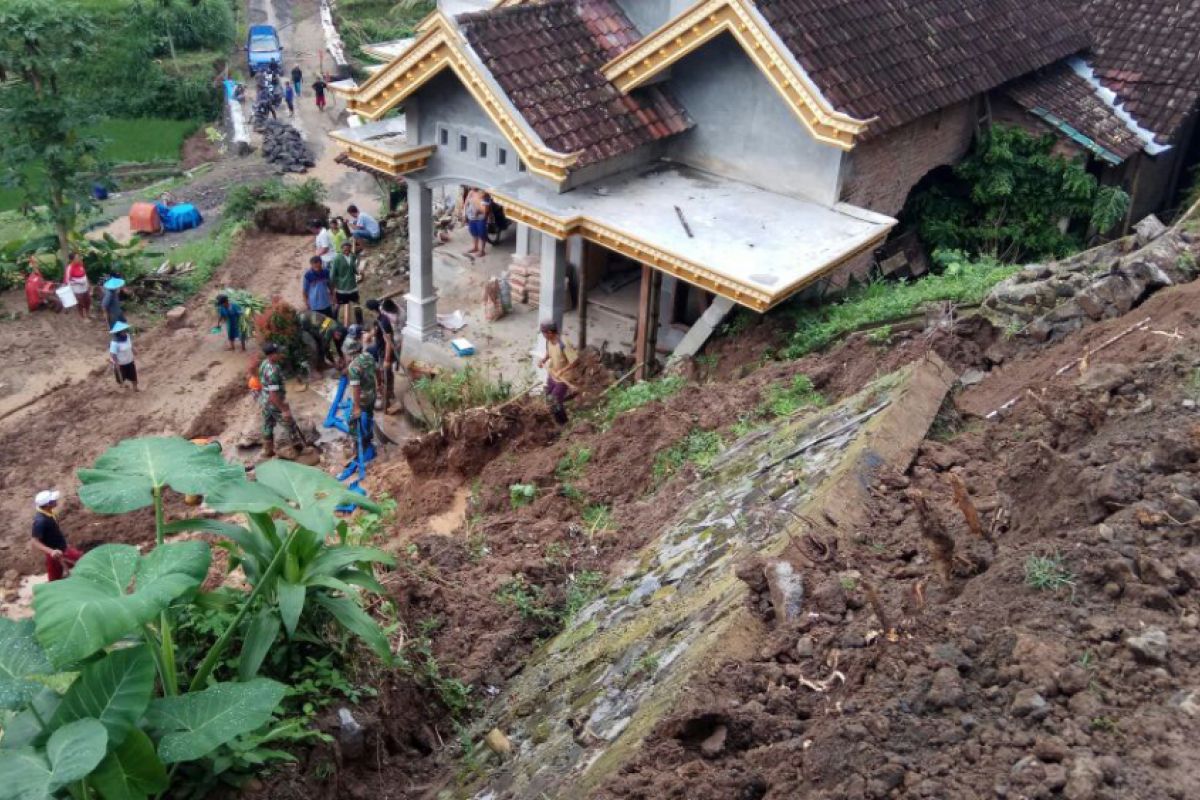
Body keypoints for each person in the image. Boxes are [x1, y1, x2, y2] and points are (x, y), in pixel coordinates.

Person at [257, 342, 307, 459]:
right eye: (277, 352)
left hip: (264, 400)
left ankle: (267, 451)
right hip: (273, 402)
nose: (279, 354)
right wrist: (284, 410)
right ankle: (297, 451)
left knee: (268, 424)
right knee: (290, 424)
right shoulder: (273, 371)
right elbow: (274, 395)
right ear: (271, 355)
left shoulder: (264, 364)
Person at [32, 490, 83, 582]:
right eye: (53, 500)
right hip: (55, 555)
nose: (56, 500)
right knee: (54, 581)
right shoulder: (40, 521)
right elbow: (35, 541)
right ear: (48, 504)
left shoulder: (50, 512)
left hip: (63, 548)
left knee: (83, 561)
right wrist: (51, 551)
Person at [537, 321, 578, 424]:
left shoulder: (563, 343)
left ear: (550, 332)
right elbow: (549, 352)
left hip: (564, 378)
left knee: (554, 401)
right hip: (553, 373)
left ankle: (564, 423)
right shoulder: (549, 340)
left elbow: (575, 361)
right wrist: (543, 360)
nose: (543, 335)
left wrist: (562, 371)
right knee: (547, 396)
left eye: (544, 333)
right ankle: (554, 417)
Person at [365, 298, 400, 413]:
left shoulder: (384, 322)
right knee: (369, 353)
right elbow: (375, 330)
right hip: (379, 348)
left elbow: (388, 342)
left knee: (387, 374)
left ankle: (388, 397)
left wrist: (386, 359)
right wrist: (369, 335)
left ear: (371, 310)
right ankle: (382, 389)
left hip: (385, 352)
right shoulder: (378, 319)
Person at [345, 336, 376, 462]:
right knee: (368, 415)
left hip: (362, 398)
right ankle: (368, 436)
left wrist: (356, 407)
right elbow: (377, 370)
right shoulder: (369, 356)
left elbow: (356, 388)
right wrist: (378, 384)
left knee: (353, 420)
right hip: (372, 394)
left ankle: (357, 445)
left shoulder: (353, 367)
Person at [329, 241, 360, 326]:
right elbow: (332, 275)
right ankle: (334, 321)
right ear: (341, 249)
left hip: (352, 286)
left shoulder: (353, 256)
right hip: (342, 288)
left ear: (350, 249)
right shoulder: (337, 259)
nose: (347, 251)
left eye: (348, 250)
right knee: (338, 305)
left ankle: (360, 322)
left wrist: (358, 272)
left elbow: (354, 268)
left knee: (357, 303)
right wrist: (332, 288)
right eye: (345, 250)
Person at [108, 321, 138, 391]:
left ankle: (135, 388)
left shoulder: (127, 336)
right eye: (122, 331)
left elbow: (130, 344)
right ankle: (123, 385)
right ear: (118, 332)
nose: (124, 332)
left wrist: (134, 350)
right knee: (121, 378)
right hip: (121, 363)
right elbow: (113, 354)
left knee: (133, 376)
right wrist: (116, 363)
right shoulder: (114, 343)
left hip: (130, 361)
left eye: (124, 330)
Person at [462, 188, 491, 257]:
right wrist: (464, 214)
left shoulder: (485, 194)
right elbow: (466, 204)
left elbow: (485, 210)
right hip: (471, 217)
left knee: (482, 234)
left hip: (480, 219)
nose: (471, 186)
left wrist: (478, 208)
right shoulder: (471, 192)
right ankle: (475, 247)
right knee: (473, 232)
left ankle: (482, 251)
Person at [65, 251, 91, 319]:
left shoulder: (80, 264)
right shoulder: (69, 268)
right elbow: (68, 280)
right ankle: (82, 317)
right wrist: (77, 282)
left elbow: (85, 274)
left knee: (88, 301)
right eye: (76, 258)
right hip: (77, 289)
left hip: (84, 287)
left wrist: (88, 283)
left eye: (78, 257)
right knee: (80, 303)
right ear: (72, 260)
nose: (78, 259)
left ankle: (88, 314)